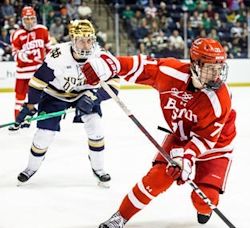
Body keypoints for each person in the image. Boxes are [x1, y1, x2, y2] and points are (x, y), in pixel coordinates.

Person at [81, 38, 237, 227]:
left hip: (215, 146)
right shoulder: (172, 73)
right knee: (157, 178)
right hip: (180, 137)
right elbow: (141, 66)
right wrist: (110, 64)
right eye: (211, 68)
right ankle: (120, 217)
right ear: (195, 64)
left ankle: (204, 209)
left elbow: (204, 139)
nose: (216, 75)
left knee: (204, 200)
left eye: (219, 68)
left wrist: (185, 158)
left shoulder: (219, 99)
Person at [12, 19, 120, 187]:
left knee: (96, 128)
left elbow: (114, 85)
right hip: (55, 95)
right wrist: (30, 105)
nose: (86, 45)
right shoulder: (58, 55)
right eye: (81, 40)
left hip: (85, 95)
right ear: (72, 39)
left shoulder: (100, 55)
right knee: (43, 135)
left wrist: (94, 98)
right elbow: (38, 81)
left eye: (89, 39)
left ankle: (99, 169)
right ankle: (30, 168)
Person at [9, 6, 51, 125]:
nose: (30, 21)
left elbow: (49, 49)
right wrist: (24, 55)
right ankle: (18, 121)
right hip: (23, 73)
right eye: (27, 19)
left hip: (38, 72)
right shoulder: (17, 34)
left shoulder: (42, 30)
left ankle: (35, 119)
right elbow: (15, 54)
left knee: (41, 97)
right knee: (19, 98)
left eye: (32, 18)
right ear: (22, 19)